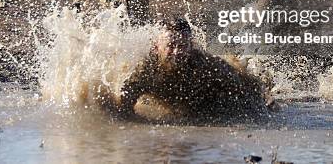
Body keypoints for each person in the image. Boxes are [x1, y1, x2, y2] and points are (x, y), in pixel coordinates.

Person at [99, 19, 268, 122]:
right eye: (171, 46)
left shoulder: (205, 64)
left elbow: (241, 85)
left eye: (182, 46)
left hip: (207, 106)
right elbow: (124, 105)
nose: (177, 52)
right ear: (156, 47)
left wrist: (264, 105)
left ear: (191, 46)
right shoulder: (146, 69)